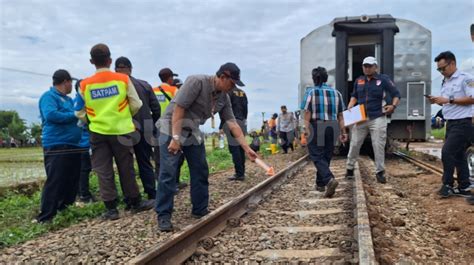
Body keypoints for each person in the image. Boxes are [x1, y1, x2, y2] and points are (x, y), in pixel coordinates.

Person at [155, 62, 257, 231]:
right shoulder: (197, 82)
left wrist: (246, 148)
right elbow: (179, 109)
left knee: (200, 169)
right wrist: (175, 138)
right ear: (222, 77)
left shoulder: (224, 97)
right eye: (231, 83)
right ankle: (163, 214)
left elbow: (232, 123)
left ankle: (199, 209)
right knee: (169, 171)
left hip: (192, 129)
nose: (232, 88)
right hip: (171, 127)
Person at [75, 43, 154, 220]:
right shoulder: (123, 80)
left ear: (91, 61)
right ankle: (134, 202)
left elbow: (79, 112)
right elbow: (136, 104)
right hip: (122, 130)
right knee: (126, 167)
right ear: (110, 60)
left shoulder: (85, 84)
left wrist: (93, 120)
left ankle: (111, 209)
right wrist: (124, 116)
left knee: (103, 170)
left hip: (97, 132)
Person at [345, 56, 400, 184]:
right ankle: (349, 168)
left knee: (378, 144)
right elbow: (354, 96)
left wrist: (393, 106)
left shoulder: (383, 80)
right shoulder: (359, 80)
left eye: (370, 66)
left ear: (376, 67)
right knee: (354, 143)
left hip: (378, 116)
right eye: (365, 66)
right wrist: (350, 107)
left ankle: (380, 172)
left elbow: (396, 94)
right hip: (361, 117)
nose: (367, 68)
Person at [36, 69, 82, 223]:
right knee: (56, 179)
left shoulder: (68, 100)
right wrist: (74, 115)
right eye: (70, 83)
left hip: (73, 144)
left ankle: (65, 208)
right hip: (57, 144)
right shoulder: (48, 97)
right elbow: (51, 115)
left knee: (72, 178)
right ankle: (46, 216)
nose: (71, 86)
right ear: (65, 82)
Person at [427, 51, 473, 198]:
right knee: (459, 155)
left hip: (463, 122)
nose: (441, 72)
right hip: (451, 122)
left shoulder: (465, 79)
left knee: (447, 152)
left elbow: (472, 98)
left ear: (452, 63)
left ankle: (447, 185)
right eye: (439, 69)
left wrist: (448, 100)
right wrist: (437, 101)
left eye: (443, 68)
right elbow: (448, 101)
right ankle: (464, 186)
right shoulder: (445, 81)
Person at [115, 56, 161, 200]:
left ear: (116, 69)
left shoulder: (116, 86)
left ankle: (131, 197)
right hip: (145, 128)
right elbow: (156, 108)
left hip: (124, 129)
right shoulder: (144, 85)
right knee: (145, 161)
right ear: (131, 68)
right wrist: (150, 124)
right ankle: (151, 192)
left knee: (125, 164)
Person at [302, 66, 348, 197]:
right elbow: (341, 115)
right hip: (333, 126)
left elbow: (307, 112)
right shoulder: (337, 93)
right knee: (326, 155)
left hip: (317, 125)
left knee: (316, 155)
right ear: (326, 78)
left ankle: (329, 179)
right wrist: (343, 131)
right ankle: (320, 184)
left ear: (314, 79)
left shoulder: (311, 92)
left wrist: (305, 130)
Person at [154, 68, 187, 191]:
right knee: (174, 157)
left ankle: (161, 186)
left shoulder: (153, 90)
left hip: (156, 127)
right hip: (171, 127)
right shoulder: (175, 90)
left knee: (159, 158)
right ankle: (174, 184)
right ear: (170, 78)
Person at [219, 85, 249, 181]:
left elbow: (223, 110)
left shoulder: (227, 92)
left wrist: (222, 125)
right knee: (241, 148)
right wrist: (243, 120)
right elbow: (245, 109)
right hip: (242, 122)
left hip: (231, 122)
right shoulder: (242, 92)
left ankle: (239, 173)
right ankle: (242, 172)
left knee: (234, 148)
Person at [73, 79, 95, 203]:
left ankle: (81, 193)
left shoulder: (74, 101)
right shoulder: (80, 103)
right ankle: (84, 195)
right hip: (84, 141)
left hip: (78, 141)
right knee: (84, 169)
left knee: (81, 169)